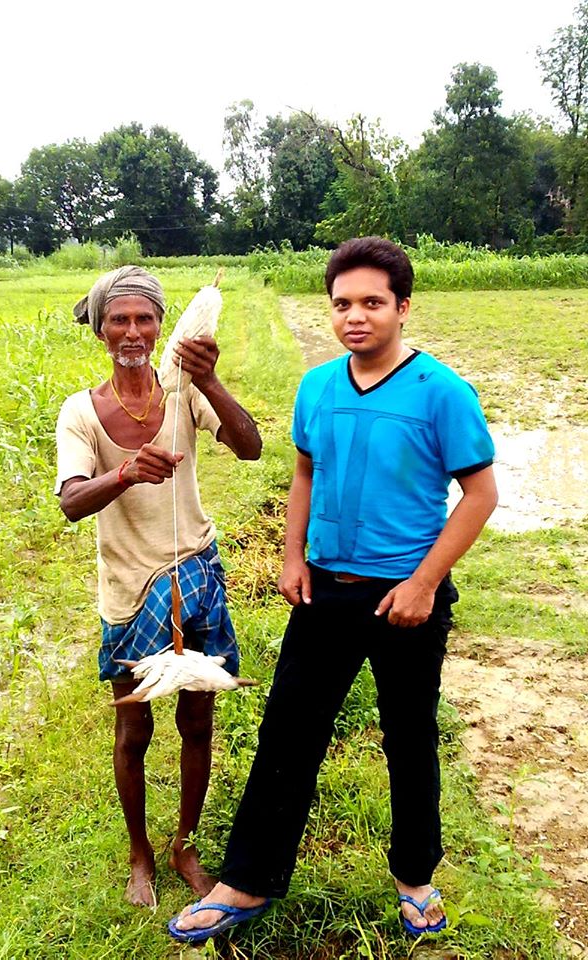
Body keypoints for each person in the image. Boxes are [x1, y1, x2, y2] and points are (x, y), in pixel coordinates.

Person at [170, 237, 498, 942]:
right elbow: (304, 475)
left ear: (403, 308)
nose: (356, 316)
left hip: (405, 599)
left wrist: (424, 582)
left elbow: (479, 493)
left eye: (373, 302)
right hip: (324, 592)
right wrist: (292, 558)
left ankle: (415, 878)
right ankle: (247, 880)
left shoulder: (441, 393)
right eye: (343, 303)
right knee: (287, 730)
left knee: (409, 737)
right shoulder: (317, 386)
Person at [55, 266, 262, 908]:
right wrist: (123, 475)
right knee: (134, 728)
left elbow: (250, 446)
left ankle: (184, 844)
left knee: (198, 717)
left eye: (145, 319)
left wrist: (209, 378)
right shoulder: (81, 412)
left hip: (195, 574)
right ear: (100, 330)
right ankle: (140, 853)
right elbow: (69, 502)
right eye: (119, 319)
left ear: (161, 326)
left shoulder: (183, 388)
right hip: (129, 587)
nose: (134, 331)